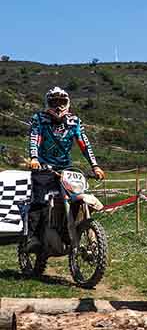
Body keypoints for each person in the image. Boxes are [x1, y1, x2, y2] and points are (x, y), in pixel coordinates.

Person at [25, 87, 105, 252]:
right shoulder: (39, 118)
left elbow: (84, 144)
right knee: (39, 198)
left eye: (62, 102)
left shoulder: (74, 121)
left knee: (76, 196)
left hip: (66, 167)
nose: (58, 106)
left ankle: (74, 230)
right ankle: (32, 238)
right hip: (43, 165)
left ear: (67, 103)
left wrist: (95, 166)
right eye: (54, 102)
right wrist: (34, 158)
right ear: (48, 103)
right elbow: (35, 138)